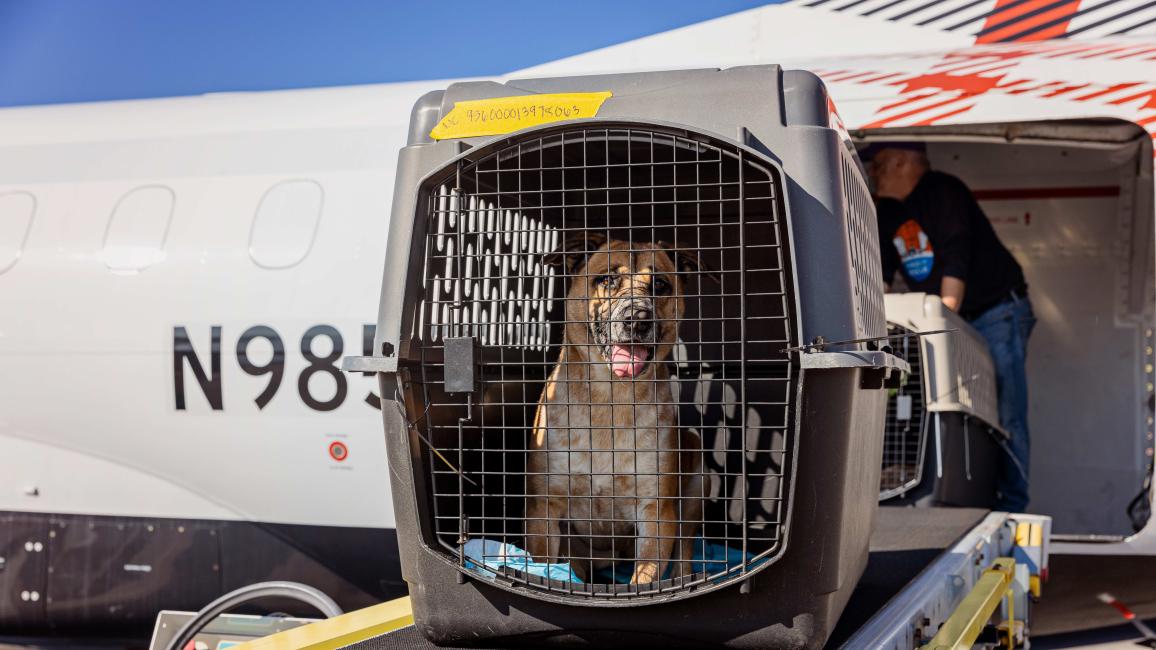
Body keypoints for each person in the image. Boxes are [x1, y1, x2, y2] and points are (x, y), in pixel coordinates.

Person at [866, 142, 1036, 512]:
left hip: (995, 312)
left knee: (1005, 413)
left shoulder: (942, 190)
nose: (872, 172)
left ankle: (1013, 510)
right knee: (940, 405)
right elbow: (880, 273)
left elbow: (958, 253)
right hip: (947, 320)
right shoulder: (887, 211)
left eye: (878, 164)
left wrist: (946, 314)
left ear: (901, 160)